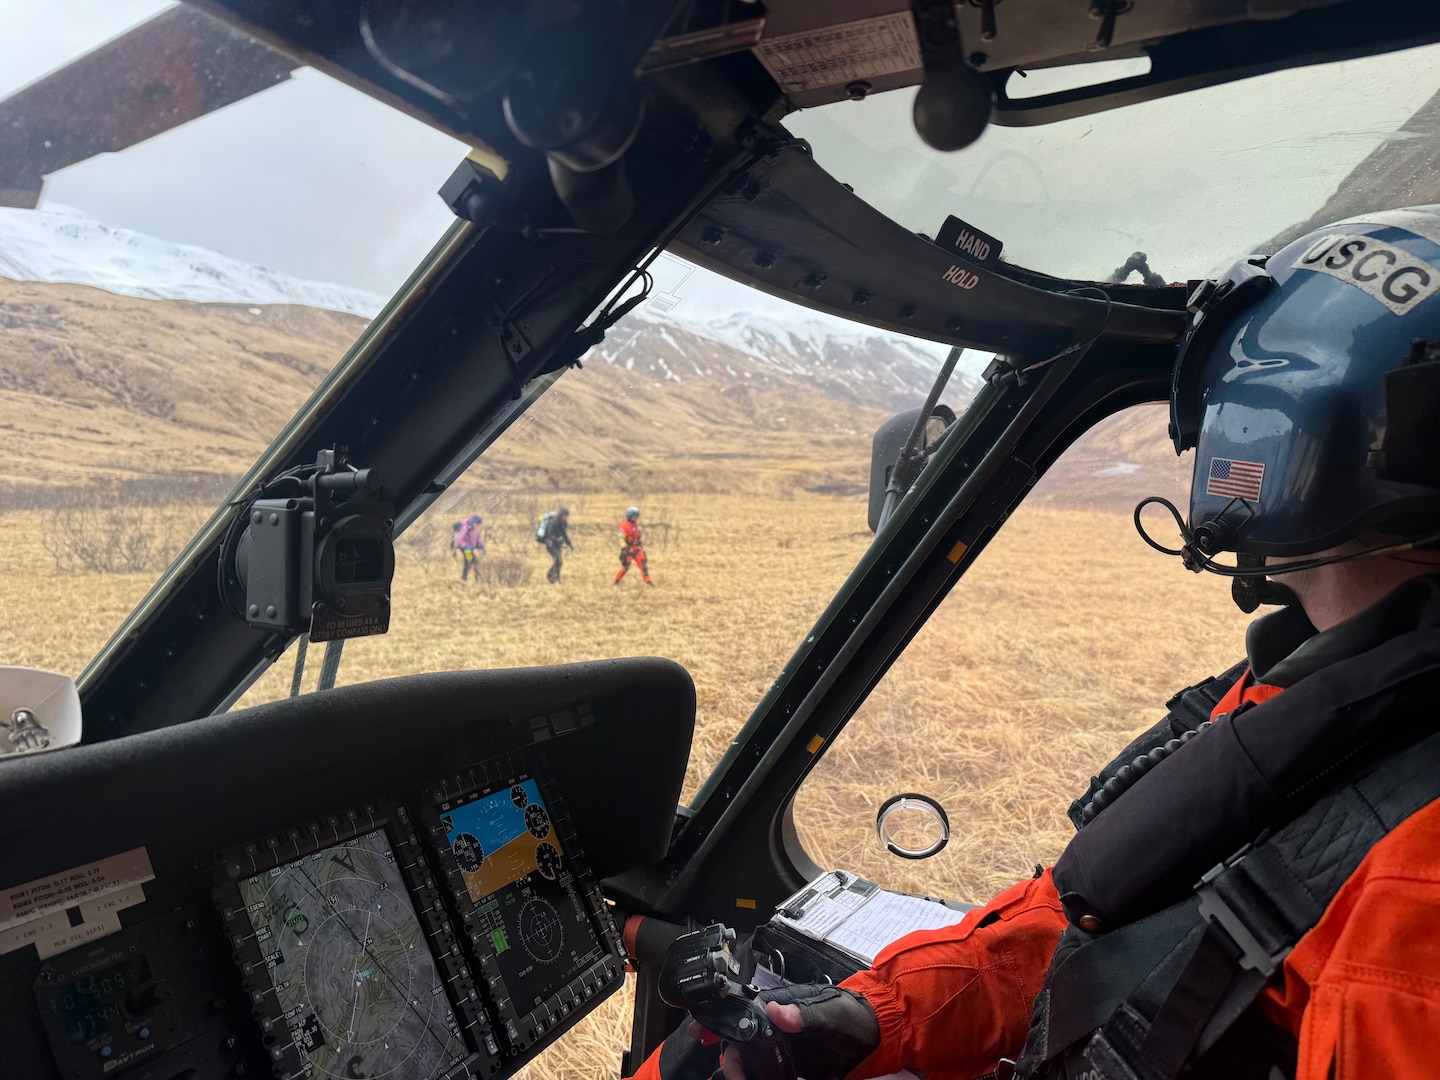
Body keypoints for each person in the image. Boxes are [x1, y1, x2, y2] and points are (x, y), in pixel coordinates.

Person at [637, 208, 1440, 1080]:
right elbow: (1084, 925)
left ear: (1279, 437)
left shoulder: (1412, 901)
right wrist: (873, 1017)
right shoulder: (1333, 689)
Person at [615, 506, 654, 586]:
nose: (636, 518)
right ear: (629, 516)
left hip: (637, 549)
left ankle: (648, 582)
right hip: (628, 550)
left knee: (643, 565)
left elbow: (638, 537)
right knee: (626, 567)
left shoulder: (637, 525)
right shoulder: (623, 525)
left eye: (636, 517)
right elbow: (621, 538)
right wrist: (625, 548)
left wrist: (640, 538)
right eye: (634, 517)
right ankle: (616, 582)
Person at [538, 507, 574, 584]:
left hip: (558, 545)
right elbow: (549, 535)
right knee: (558, 560)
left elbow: (564, 535)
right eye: (565, 516)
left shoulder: (564, 523)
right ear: (562, 515)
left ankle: (556, 578)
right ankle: (550, 576)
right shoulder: (552, 522)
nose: (567, 518)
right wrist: (556, 539)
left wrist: (569, 544)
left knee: (559, 562)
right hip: (550, 544)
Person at [455, 514, 485, 581]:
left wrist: (482, 546)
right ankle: (465, 578)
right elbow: (459, 539)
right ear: (474, 522)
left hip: (469, 548)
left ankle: (470, 577)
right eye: (477, 524)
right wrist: (466, 546)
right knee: (469, 560)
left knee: (472, 561)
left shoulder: (473, 529)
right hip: (464, 548)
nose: (478, 526)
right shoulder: (465, 528)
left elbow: (477, 538)